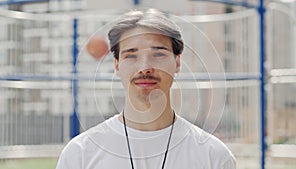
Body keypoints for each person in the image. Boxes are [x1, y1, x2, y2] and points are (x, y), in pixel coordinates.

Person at [56, 8, 236, 169]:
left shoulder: (214, 156)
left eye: (158, 54)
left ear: (178, 62)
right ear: (117, 65)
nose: (145, 67)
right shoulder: (80, 154)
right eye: (131, 55)